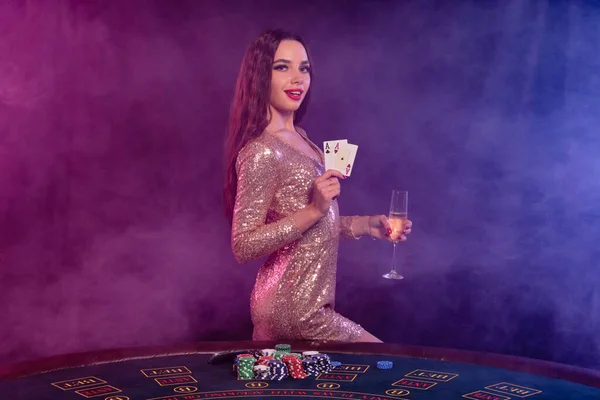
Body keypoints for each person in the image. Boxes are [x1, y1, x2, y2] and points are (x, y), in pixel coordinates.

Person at [223, 29, 412, 343]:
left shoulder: (304, 139)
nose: (297, 78)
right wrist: (313, 209)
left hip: (304, 304)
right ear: (259, 75)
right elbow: (243, 245)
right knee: (384, 361)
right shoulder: (262, 151)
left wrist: (366, 225)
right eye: (282, 67)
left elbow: (316, 226)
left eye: (304, 68)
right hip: (296, 310)